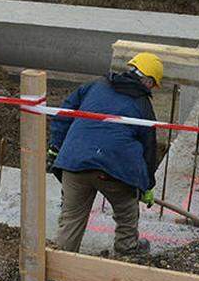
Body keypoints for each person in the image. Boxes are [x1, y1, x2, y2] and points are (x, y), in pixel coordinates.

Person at [49, 52, 162, 256]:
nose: (151, 89)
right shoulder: (143, 105)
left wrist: (55, 147)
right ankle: (127, 250)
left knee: (71, 218)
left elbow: (65, 112)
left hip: (75, 163)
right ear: (147, 80)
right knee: (127, 211)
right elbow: (149, 148)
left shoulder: (97, 85)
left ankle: (61, 260)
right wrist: (146, 185)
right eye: (152, 85)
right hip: (115, 169)